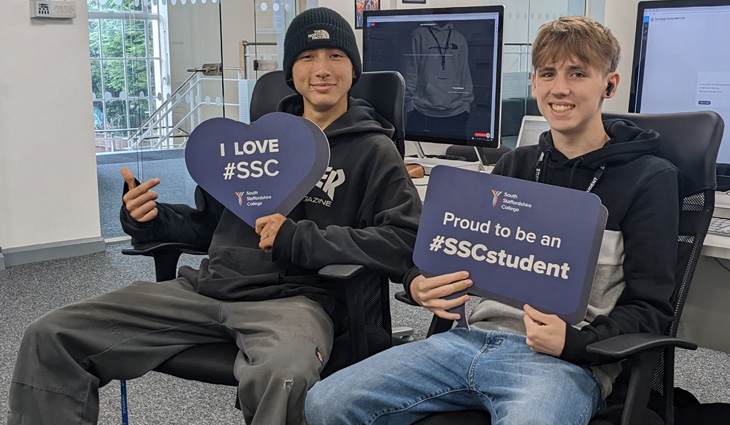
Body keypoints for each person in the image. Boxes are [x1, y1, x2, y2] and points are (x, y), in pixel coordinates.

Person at [7, 7, 421, 425]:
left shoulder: (373, 149)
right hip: (209, 288)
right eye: (307, 57)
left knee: (284, 376)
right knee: (51, 336)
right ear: (291, 71)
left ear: (354, 69)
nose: (321, 69)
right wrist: (151, 219)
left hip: (296, 301)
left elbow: (405, 238)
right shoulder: (258, 142)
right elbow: (208, 225)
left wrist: (300, 238)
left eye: (336, 56)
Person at [305, 15, 679, 425]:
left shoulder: (649, 179)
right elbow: (454, 255)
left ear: (609, 83)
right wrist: (419, 282)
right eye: (549, 74)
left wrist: (577, 342)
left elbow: (650, 308)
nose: (560, 88)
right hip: (466, 342)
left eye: (578, 73)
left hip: (561, 363)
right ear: (534, 83)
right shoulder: (513, 166)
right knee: (325, 403)